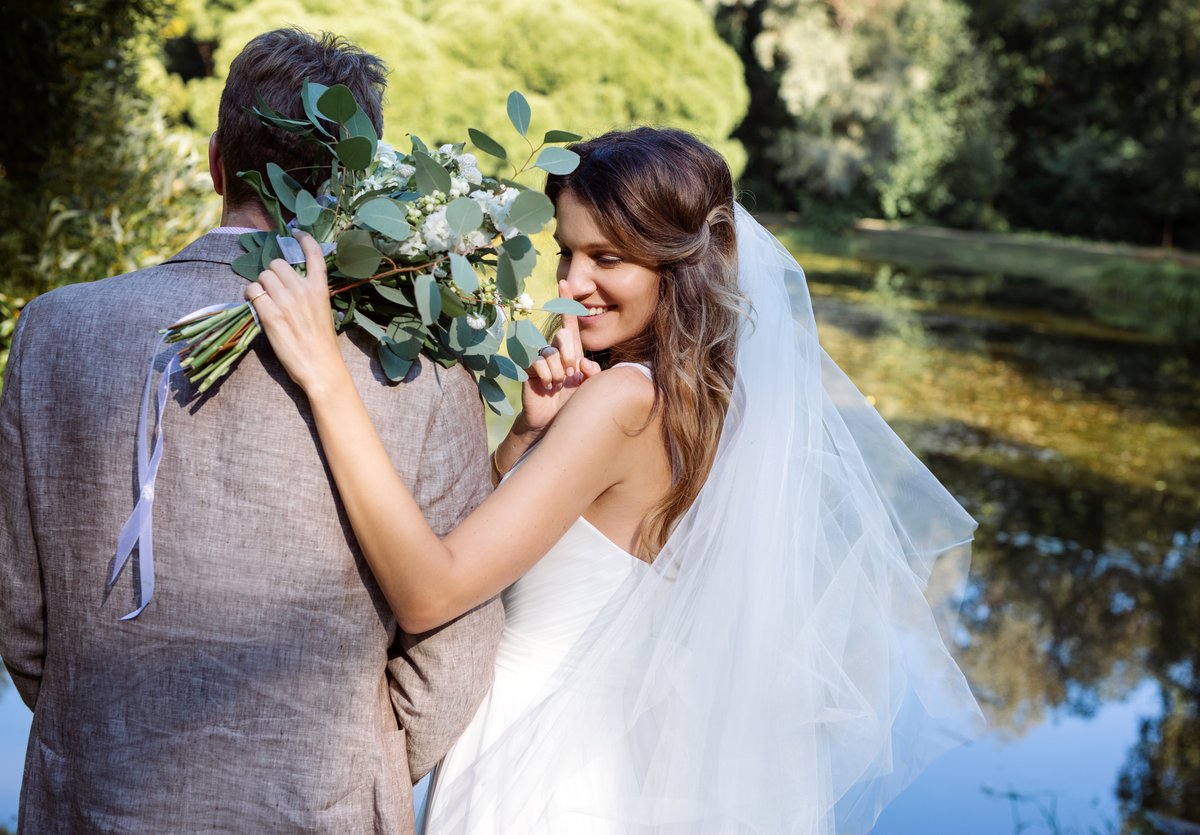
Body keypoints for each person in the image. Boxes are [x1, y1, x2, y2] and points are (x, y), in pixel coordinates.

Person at [248, 127, 984, 833]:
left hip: (534, 772)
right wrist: (528, 437)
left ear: (676, 264)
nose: (573, 283)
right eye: (566, 252)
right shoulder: (709, 399)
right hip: (610, 767)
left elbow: (430, 590)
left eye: (608, 258)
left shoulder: (624, 400)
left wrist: (325, 375)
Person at [0, 28, 501, 833]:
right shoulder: (419, 370)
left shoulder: (54, 332)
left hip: (95, 798)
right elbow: (456, 648)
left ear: (215, 162)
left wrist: (108, 737)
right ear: (352, 187)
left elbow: (20, 615)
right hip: (318, 809)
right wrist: (350, 763)